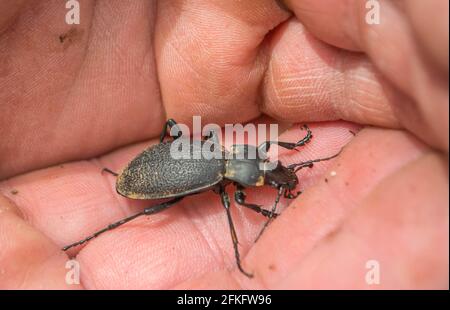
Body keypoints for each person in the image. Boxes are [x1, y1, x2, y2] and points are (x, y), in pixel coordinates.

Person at [0, 0, 447, 289]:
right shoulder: (224, 171)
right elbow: (244, 201)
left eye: (264, 177)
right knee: (159, 213)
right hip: (142, 177)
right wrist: (245, 240)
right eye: (265, 179)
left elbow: (257, 164)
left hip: (155, 164)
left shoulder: (228, 157)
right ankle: (98, 231)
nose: (264, 178)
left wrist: (285, 164)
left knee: (185, 140)